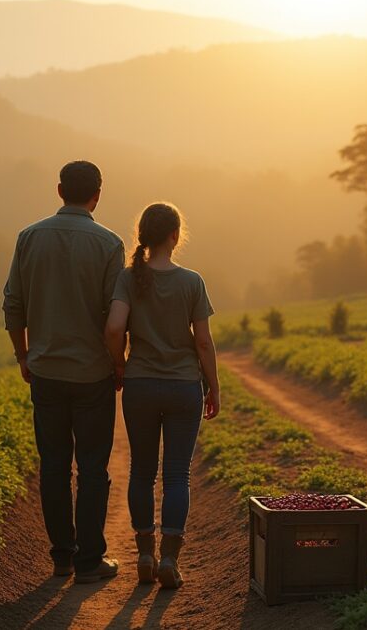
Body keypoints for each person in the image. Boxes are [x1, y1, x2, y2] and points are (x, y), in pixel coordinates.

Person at [3, 160, 124, 583]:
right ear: (97, 195)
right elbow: (115, 316)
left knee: (53, 466)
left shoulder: (29, 237)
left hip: (46, 372)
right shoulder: (109, 243)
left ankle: (61, 557)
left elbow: (13, 304)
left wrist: (23, 355)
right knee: (92, 470)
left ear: (59, 191)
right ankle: (89, 561)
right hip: (93, 374)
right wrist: (118, 362)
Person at [104, 202, 219, 589]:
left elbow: (114, 328)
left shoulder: (128, 278)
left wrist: (120, 364)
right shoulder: (192, 282)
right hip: (184, 387)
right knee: (177, 475)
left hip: (140, 385)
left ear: (143, 236)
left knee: (141, 471)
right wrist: (213, 386)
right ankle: (169, 559)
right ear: (175, 236)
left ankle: (144, 554)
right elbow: (203, 342)